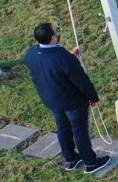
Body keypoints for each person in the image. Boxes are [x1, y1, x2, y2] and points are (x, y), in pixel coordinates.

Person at [22, 22, 108, 173]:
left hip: (52, 101)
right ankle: (90, 162)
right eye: (57, 30)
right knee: (80, 131)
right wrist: (93, 98)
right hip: (73, 102)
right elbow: (82, 81)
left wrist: (69, 56)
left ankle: (70, 159)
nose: (60, 31)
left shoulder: (31, 53)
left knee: (62, 128)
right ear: (53, 38)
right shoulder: (64, 59)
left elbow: (50, 66)